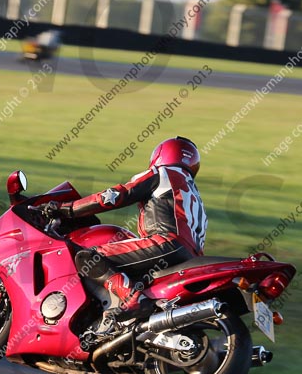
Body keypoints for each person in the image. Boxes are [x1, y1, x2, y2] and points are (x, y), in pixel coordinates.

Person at [48, 137, 207, 324]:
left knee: (88, 258)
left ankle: (134, 300)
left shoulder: (162, 173)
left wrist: (68, 208)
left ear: (160, 155)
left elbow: (115, 196)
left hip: (165, 243)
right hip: (192, 257)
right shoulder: (194, 193)